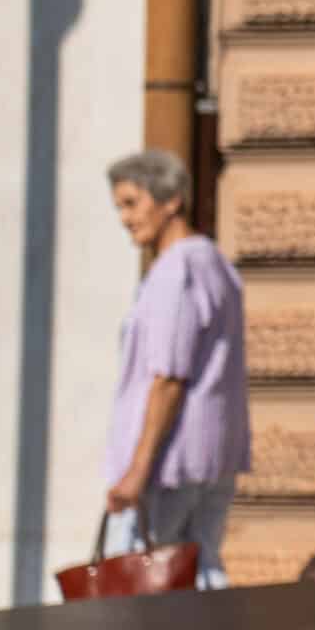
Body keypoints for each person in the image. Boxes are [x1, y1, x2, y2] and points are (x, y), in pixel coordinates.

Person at [101, 149, 251, 590]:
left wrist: (136, 470)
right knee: (202, 572)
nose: (125, 218)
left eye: (132, 203)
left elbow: (169, 377)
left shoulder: (175, 271)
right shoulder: (217, 265)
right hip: (215, 455)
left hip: (169, 463)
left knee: (137, 582)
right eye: (119, 206)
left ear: (170, 201)